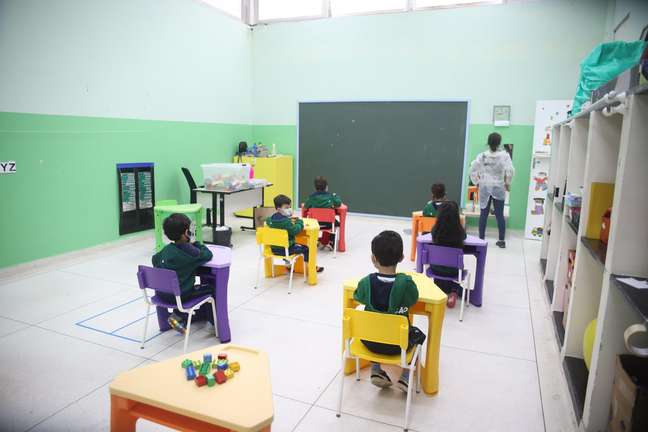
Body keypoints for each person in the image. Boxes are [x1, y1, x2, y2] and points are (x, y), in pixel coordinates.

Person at [353, 230, 421, 392]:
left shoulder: (365, 282)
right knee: (418, 336)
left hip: (369, 342)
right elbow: (414, 299)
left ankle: (376, 369)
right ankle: (405, 376)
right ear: (401, 258)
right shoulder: (406, 283)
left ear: (373, 259)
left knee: (375, 327)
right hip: (398, 345)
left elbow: (357, 296)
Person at [152, 213, 213, 333]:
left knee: (181, 287)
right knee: (212, 289)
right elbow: (207, 254)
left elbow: (154, 260)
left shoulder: (167, 249)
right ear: (186, 232)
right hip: (181, 296)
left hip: (162, 294)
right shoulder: (191, 252)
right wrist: (196, 243)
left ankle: (180, 316)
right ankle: (210, 322)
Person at [469, 132, 515, 248]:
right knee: (499, 214)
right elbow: (510, 171)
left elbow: (472, 168)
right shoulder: (505, 156)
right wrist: (507, 183)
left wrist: (477, 181)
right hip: (498, 187)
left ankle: (481, 240)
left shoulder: (482, 156)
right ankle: (501, 240)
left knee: (483, 214)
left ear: (488, 142)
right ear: (499, 143)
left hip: (484, 186)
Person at [266, 194, 324, 272]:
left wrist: (289, 219)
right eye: (286, 207)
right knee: (306, 248)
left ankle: (288, 265)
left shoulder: (271, 220)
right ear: (279, 209)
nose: (289, 209)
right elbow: (295, 231)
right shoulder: (286, 222)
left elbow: (268, 220)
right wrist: (299, 222)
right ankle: (311, 268)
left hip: (274, 248)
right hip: (286, 250)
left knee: (285, 243)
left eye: (290, 207)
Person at [430, 201, 466, 308]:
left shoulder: (435, 231)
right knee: (452, 267)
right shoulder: (460, 233)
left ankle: (438, 290)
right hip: (454, 271)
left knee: (441, 265)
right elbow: (464, 238)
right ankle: (453, 291)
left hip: (435, 269)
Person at [304, 176, 342, 249]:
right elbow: (338, 203)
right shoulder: (331, 196)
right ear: (326, 187)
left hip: (314, 223)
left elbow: (305, 207)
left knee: (325, 221)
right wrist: (336, 196)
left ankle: (321, 240)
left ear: (315, 187)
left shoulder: (312, 197)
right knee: (336, 224)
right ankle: (330, 242)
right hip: (329, 224)